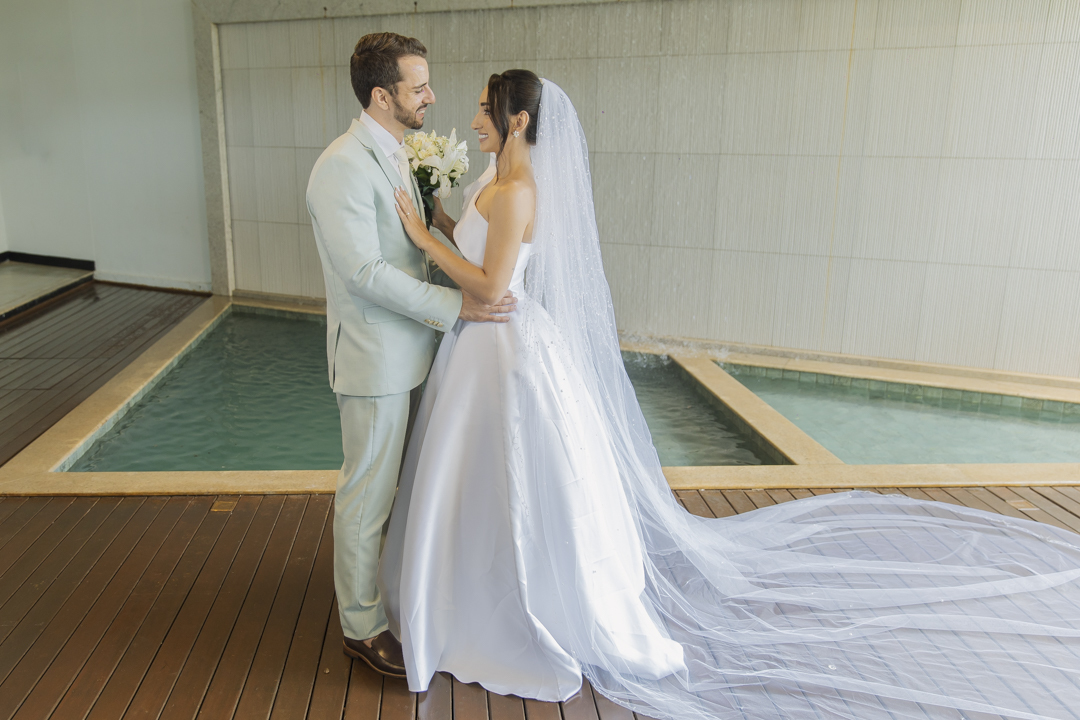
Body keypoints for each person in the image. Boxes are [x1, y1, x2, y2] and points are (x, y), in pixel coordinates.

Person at [381, 70, 1080, 719]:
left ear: (519, 119)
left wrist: (416, 236)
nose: (472, 118)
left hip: (504, 349)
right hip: (476, 352)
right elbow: (478, 253)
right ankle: (460, 591)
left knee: (513, 481)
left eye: (482, 109)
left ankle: (507, 608)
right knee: (472, 481)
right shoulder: (491, 184)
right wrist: (442, 218)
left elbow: (493, 287)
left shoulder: (521, 191)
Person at [305, 33, 516, 678]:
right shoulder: (341, 165)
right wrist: (458, 308)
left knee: (404, 491)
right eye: (418, 86)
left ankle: (397, 591)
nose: (431, 95)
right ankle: (361, 626)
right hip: (375, 359)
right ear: (381, 94)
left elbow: (420, 239)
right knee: (366, 496)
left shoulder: (398, 153)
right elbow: (364, 271)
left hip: (418, 352)